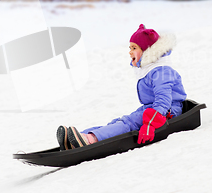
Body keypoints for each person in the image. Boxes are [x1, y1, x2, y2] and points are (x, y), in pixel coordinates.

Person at [56, 24, 187, 150]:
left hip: (167, 112)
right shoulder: (151, 70)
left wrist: (150, 124)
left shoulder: (161, 72)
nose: (130, 52)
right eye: (130, 48)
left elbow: (163, 100)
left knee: (127, 125)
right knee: (120, 122)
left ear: (147, 50)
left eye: (134, 48)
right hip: (152, 110)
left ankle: (90, 140)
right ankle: (80, 137)